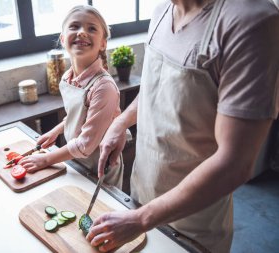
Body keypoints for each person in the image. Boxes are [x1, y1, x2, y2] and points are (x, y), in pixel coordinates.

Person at [86, 0, 279, 252]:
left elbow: (235, 163)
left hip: (192, 225)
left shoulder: (252, 22)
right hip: (141, 195)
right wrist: (121, 122)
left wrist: (141, 219)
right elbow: (158, 88)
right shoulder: (161, 12)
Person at [19, 5, 124, 189]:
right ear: (62, 38)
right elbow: (78, 115)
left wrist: (46, 160)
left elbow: (85, 145)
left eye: (91, 28)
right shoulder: (68, 77)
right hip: (77, 159)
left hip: (100, 167)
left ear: (103, 43)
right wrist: (56, 131)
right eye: (74, 26)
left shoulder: (104, 87)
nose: (82, 32)